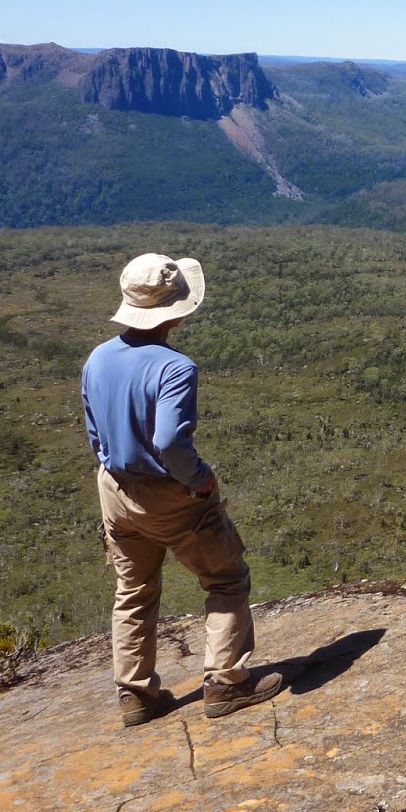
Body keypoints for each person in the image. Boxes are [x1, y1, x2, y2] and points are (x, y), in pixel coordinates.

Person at [81, 252, 282, 727]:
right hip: (169, 493)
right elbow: (170, 440)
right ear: (175, 310)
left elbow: (95, 432)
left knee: (133, 589)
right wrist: (199, 479)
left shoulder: (98, 358)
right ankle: (225, 684)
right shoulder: (175, 367)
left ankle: (135, 695)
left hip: (114, 488)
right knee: (225, 578)